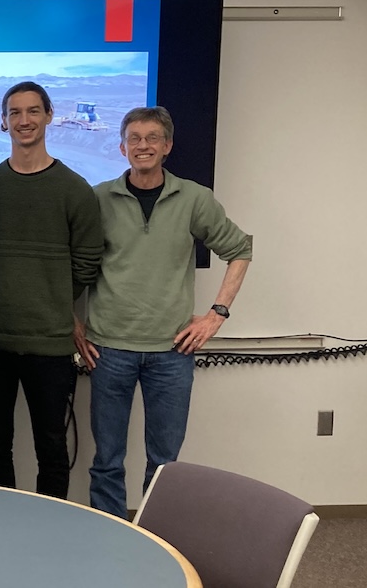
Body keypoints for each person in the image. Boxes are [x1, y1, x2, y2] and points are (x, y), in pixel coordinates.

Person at [77, 107, 253, 517]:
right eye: (135, 138)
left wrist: (216, 314)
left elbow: (240, 249)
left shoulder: (194, 198)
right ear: (122, 147)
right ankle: (110, 535)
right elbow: (73, 262)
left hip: (172, 352)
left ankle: (156, 541)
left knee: (165, 463)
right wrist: (73, 322)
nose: (144, 145)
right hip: (108, 349)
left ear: (167, 146)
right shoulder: (98, 199)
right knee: (107, 461)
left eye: (153, 138)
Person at [0, 81, 103, 499]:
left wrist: (54, 297)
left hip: (50, 344)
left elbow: (87, 262)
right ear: (3, 121)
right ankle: (1, 530)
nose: (24, 120)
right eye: (15, 112)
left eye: (33, 111)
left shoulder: (75, 191)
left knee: (52, 448)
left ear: (49, 116)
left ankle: (49, 536)